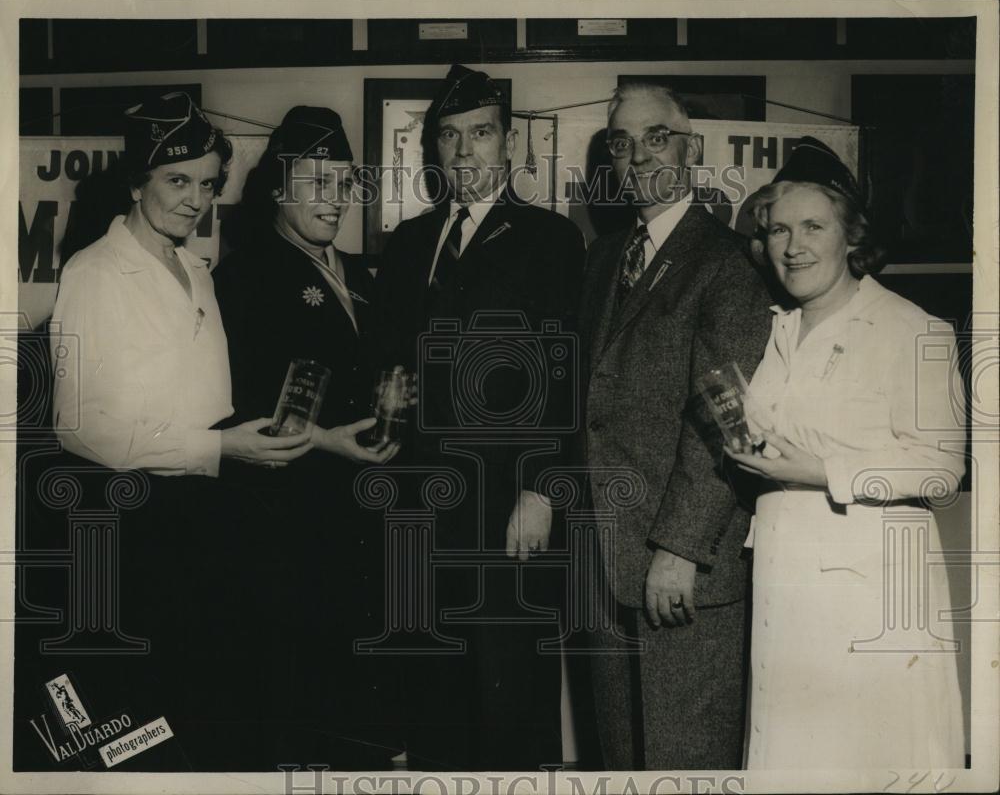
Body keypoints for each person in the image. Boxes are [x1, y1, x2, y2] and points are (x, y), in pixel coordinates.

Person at [48, 92, 313, 770]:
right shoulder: (94, 273)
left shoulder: (197, 270)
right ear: (137, 181)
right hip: (141, 526)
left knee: (218, 710)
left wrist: (251, 439)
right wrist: (220, 445)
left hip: (213, 515)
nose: (196, 200)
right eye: (177, 180)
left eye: (207, 184)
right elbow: (79, 427)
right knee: (151, 725)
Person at [728, 137, 966, 769]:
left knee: (870, 761)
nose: (792, 245)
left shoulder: (913, 329)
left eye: (813, 226)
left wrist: (820, 471)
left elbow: (943, 471)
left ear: (852, 236)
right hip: (786, 581)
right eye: (779, 228)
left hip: (871, 594)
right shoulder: (774, 328)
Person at [374, 64, 586, 770]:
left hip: (506, 500)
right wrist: (389, 393)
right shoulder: (407, 245)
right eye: (450, 137)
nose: (465, 152)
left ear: (509, 147)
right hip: (421, 500)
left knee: (507, 697)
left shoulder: (550, 241)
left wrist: (541, 489)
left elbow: (566, 377)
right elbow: (389, 358)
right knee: (432, 687)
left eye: (481, 134)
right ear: (433, 152)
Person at [577, 81, 772, 770]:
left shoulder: (728, 263)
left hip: (678, 569)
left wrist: (682, 548)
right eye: (622, 143)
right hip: (603, 560)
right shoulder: (605, 256)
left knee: (682, 762)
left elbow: (726, 424)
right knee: (622, 760)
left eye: (656, 135)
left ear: (691, 146)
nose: (639, 155)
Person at [213, 106, 402, 769]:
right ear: (276, 187)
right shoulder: (241, 278)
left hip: (355, 523)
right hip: (285, 527)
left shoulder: (356, 272)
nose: (337, 199)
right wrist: (327, 441)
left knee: (351, 714)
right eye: (318, 182)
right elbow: (235, 410)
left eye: (346, 182)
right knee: (290, 711)